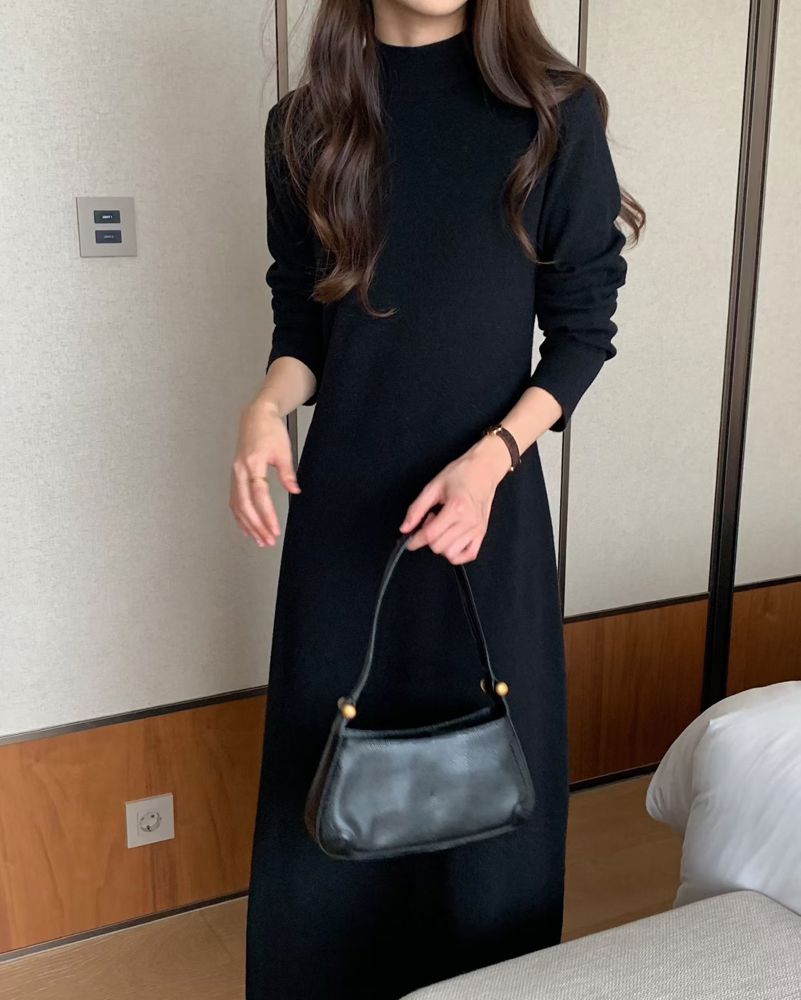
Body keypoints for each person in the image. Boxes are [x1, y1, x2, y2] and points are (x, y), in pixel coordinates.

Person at [231, 1, 643, 997]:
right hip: (344, 522)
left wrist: (492, 460)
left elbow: (582, 331)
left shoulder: (553, 114)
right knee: (327, 787)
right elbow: (303, 325)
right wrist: (265, 407)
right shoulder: (304, 128)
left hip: (484, 521)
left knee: (487, 809)